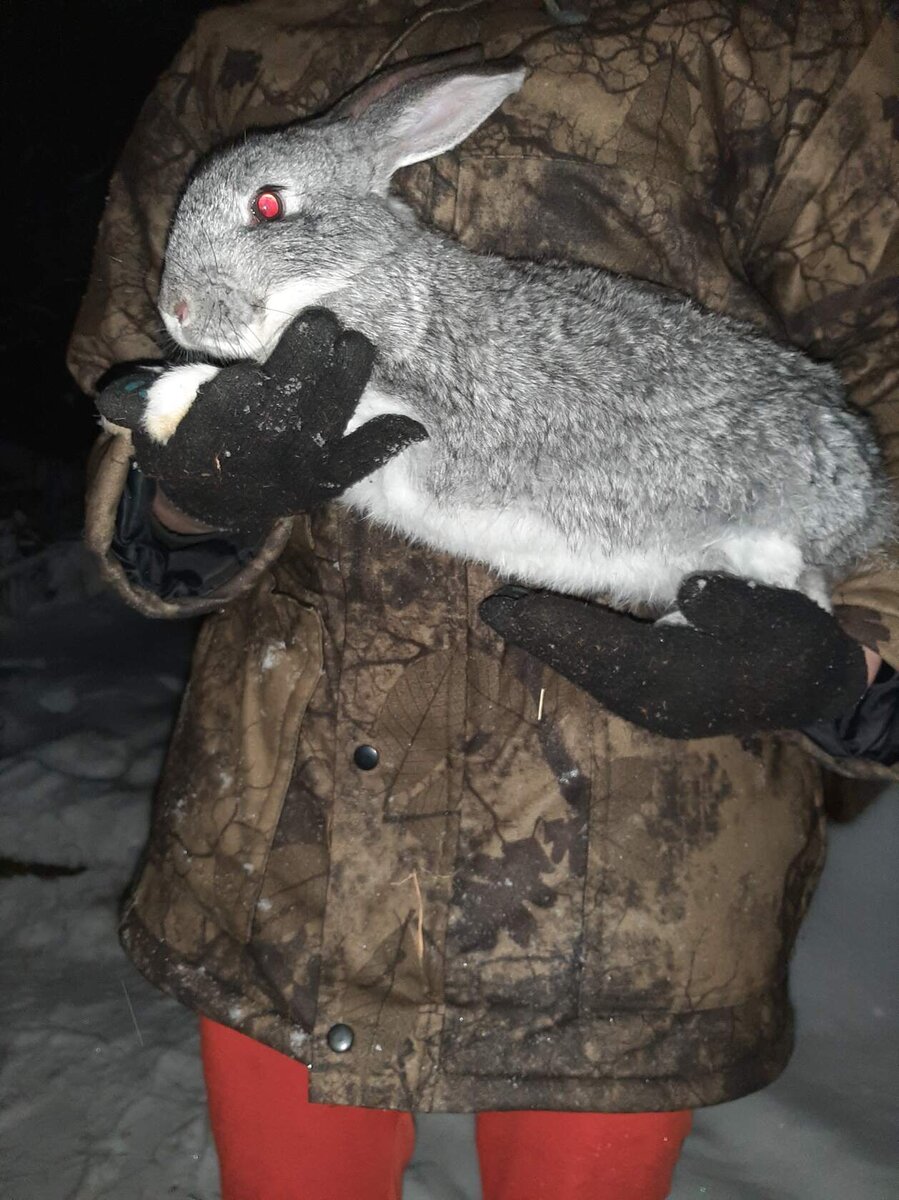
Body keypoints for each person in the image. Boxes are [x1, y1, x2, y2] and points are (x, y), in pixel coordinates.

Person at [70, 2, 899, 1197]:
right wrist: (187, 492)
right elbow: (133, 360)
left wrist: (850, 667)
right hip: (288, 837)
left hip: (639, 842)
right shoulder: (254, 29)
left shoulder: (790, 35)